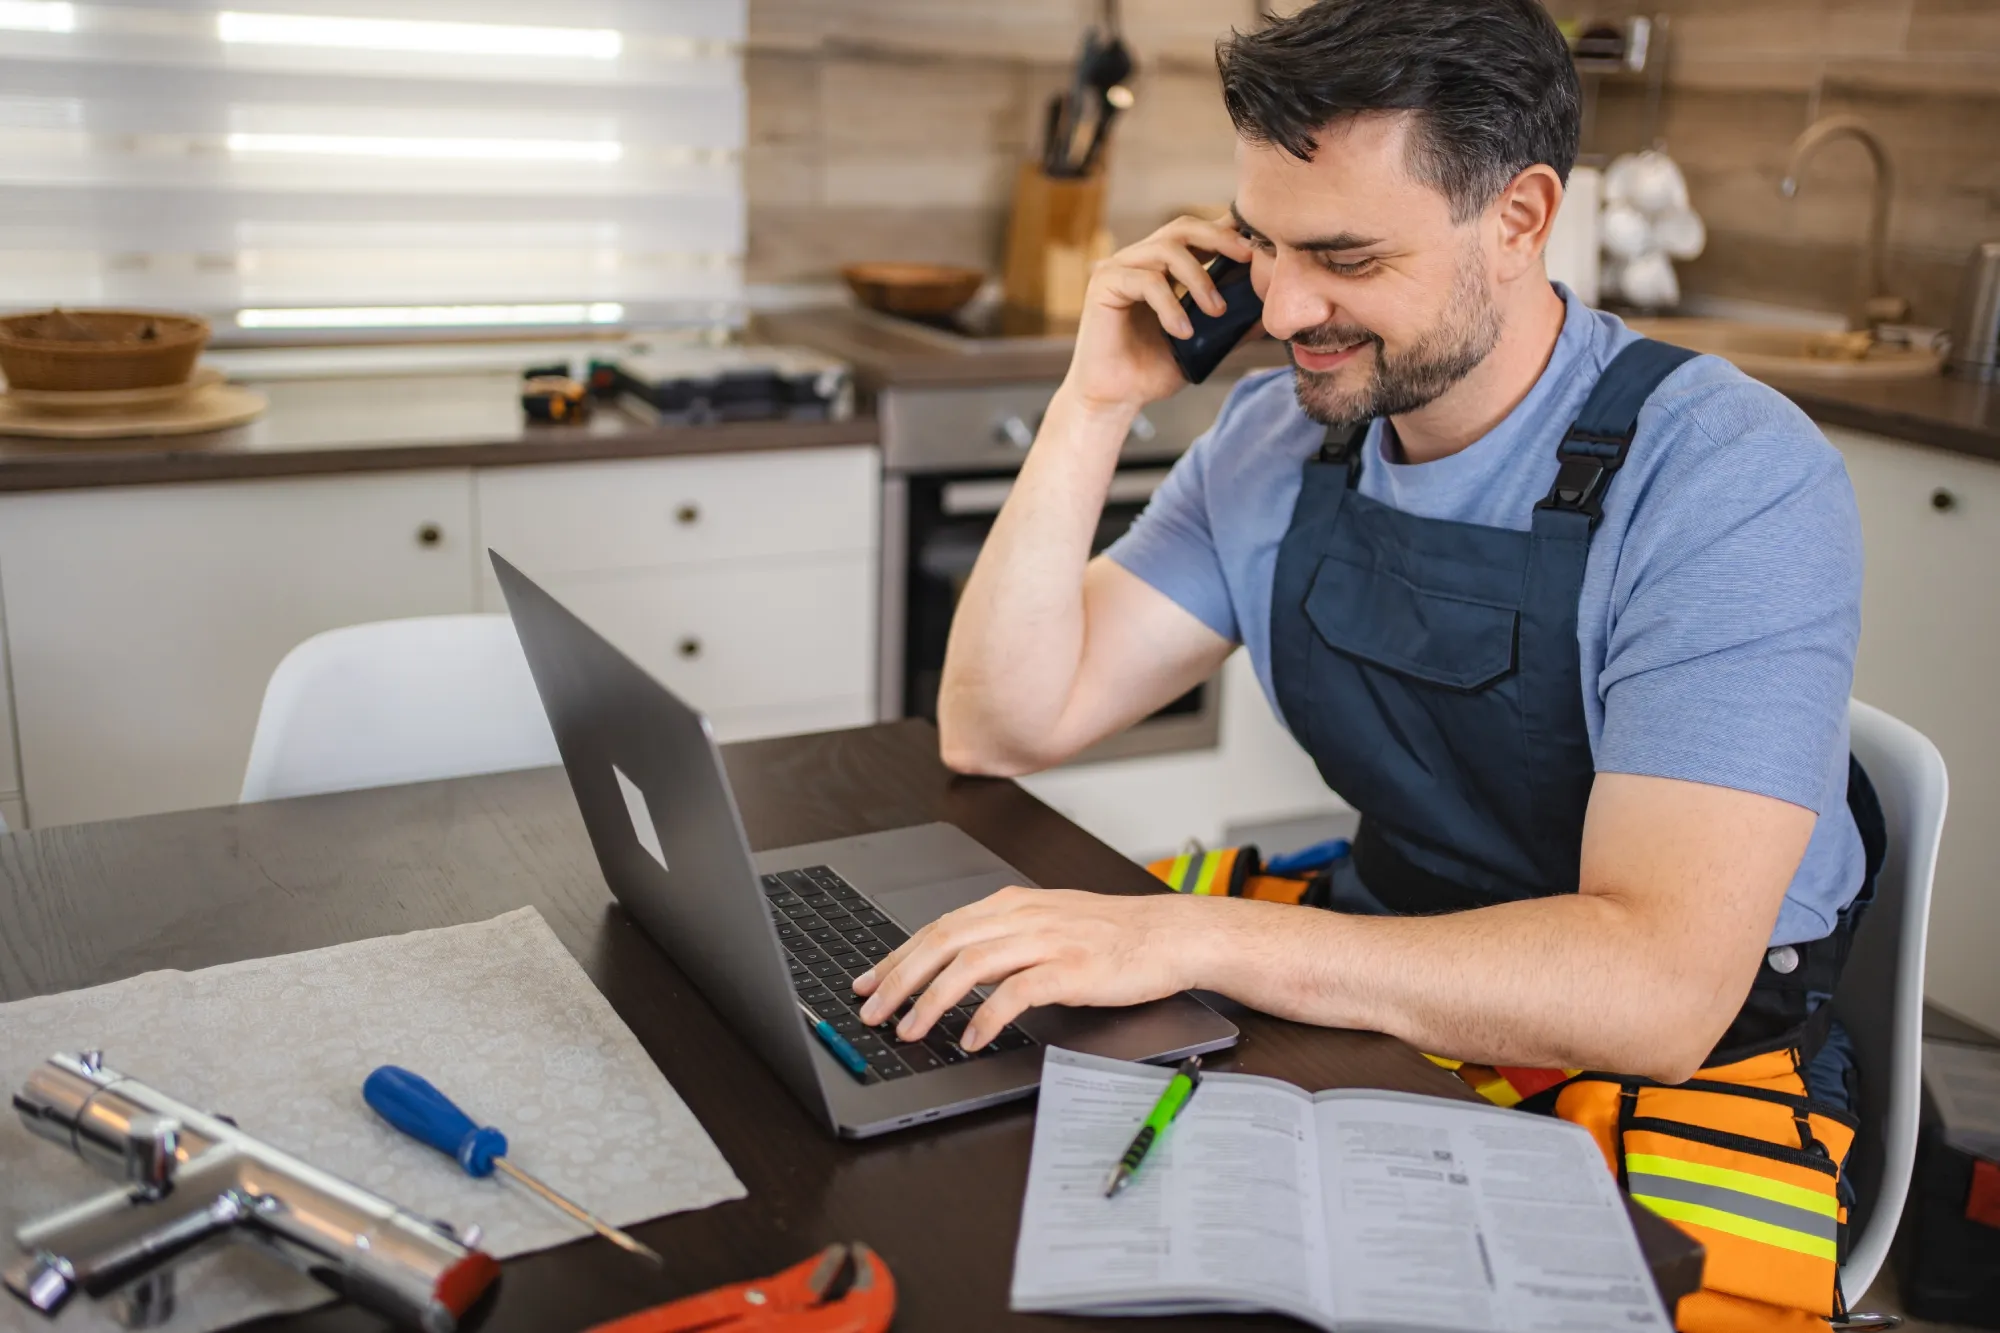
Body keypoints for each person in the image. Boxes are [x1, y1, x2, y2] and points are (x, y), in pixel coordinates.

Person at [853, 2, 1875, 1328]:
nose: (1281, 310)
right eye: (1262, 242)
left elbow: (1658, 992)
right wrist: (1093, 400)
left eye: (1342, 255)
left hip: (1685, 1061)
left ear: (1518, 220)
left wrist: (1185, 935)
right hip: (1387, 964)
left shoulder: (1731, 479)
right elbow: (1001, 723)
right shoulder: (1274, 439)